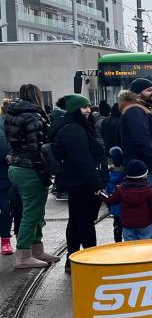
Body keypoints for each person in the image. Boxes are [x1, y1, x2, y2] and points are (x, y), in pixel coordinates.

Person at [4, 83, 59, 269]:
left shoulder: (12, 115)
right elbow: (37, 148)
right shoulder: (34, 116)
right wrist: (45, 172)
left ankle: (36, 249)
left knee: (33, 209)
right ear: (37, 96)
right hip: (31, 169)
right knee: (32, 211)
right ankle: (24, 253)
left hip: (16, 166)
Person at [50, 94, 107, 271]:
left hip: (76, 181)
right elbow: (82, 160)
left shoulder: (73, 126)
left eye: (89, 106)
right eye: (83, 107)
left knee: (76, 221)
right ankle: (90, 258)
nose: (88, 110)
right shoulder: (74, 129)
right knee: (85, 221)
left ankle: (72, 259)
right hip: (82, 183)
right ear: (75, 110)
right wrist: (97, 184)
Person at [119, 78, 152, 234]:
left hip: (146, 166)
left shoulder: (141, 108)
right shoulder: (135, 110)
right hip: (145, 168)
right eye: (148, 90)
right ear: (136, 93)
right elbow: (142, 139)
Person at [99, 160, 152, 241]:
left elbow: (110, 200)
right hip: (145, 225)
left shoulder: (120, 189)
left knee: (131, 249)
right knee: (145, 248)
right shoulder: (149, 190)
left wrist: (100, 193)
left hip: (128, 226)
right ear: (144, 175)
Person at [104, 146, 125, 243]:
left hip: (115, 208)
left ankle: (118, 241)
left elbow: (107, 194)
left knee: (117, 225)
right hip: (126, 208)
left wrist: (109, 206)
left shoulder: (109, 177)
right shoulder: (125, 175)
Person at [0, 101, 13, 256]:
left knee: (6, 209)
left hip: (3, 175)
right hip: (4, 173)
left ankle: (5, 240)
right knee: (6, 209)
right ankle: (5, 240)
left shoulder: (6, 125)